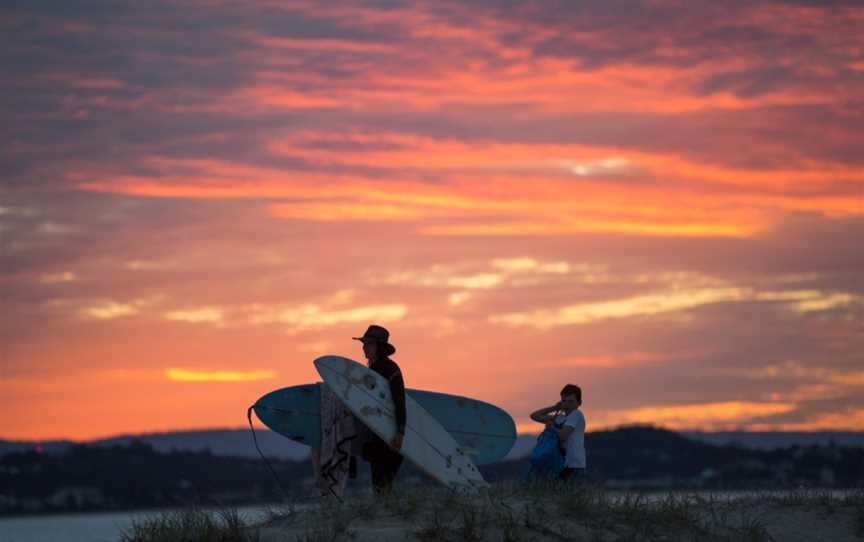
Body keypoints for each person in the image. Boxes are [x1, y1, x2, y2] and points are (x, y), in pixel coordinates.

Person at [353, 324, 406, 494]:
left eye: (368, 344)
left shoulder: (391, 369)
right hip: (376, 434)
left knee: (383, 481)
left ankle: (385, 513)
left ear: (379, 347)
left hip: (389, 433)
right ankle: (383, 509)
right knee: (379, 483)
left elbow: (399, 401)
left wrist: (399, 432)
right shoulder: (372, 370)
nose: (364, 348)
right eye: (364, 344)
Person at [529, 384, 586, 482]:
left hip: (573, 463)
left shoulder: (576, 414)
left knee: (563, 490)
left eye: (571, 402)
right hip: (560, 461)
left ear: (579, 403)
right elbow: (534, 416)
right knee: (555, 491)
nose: (567, 405)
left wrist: (552, 427)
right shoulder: (560, 417)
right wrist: (555, 407)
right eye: (564, 401)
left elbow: (563, 435)